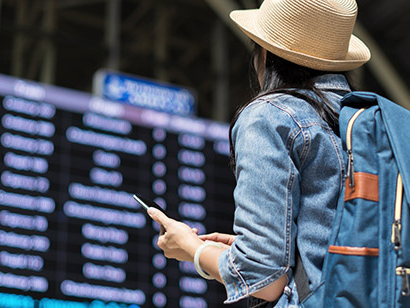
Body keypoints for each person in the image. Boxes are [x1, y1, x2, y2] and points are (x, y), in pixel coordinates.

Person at [147, 0, 371, 306]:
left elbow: (264, 280)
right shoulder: (372, 123)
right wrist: (239, 252)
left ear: (265, 52)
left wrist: (192, 250)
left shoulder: (270, 117)